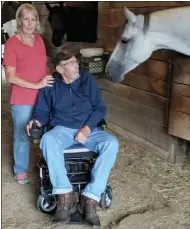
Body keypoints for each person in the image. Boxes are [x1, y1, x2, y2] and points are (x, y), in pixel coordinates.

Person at [26, 51, 119, 228]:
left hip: (89, 129)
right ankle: (64, 196)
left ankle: (90, 199)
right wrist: (35, 122)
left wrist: (87, 128)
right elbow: (42, 113)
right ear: (60, 69)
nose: (77, 65)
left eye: (76, 61)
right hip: (62, 129)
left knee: (111, 143)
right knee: (48, 139)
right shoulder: (50, 85)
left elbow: (99, 108)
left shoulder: (86, 79)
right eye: (71, 63)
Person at [3, 3, 54, 184]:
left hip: (41, 97)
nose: (30, 23)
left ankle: (44, 165)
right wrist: (36, 84)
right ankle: (21, 170)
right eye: (26, 19)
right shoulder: (12, 43)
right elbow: (10, 76)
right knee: (22, 134)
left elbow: (43, 67)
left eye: (33, 19)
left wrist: (49, 79)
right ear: (19, 21)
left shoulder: (39, 41)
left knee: (44, 131)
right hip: (23, 98)